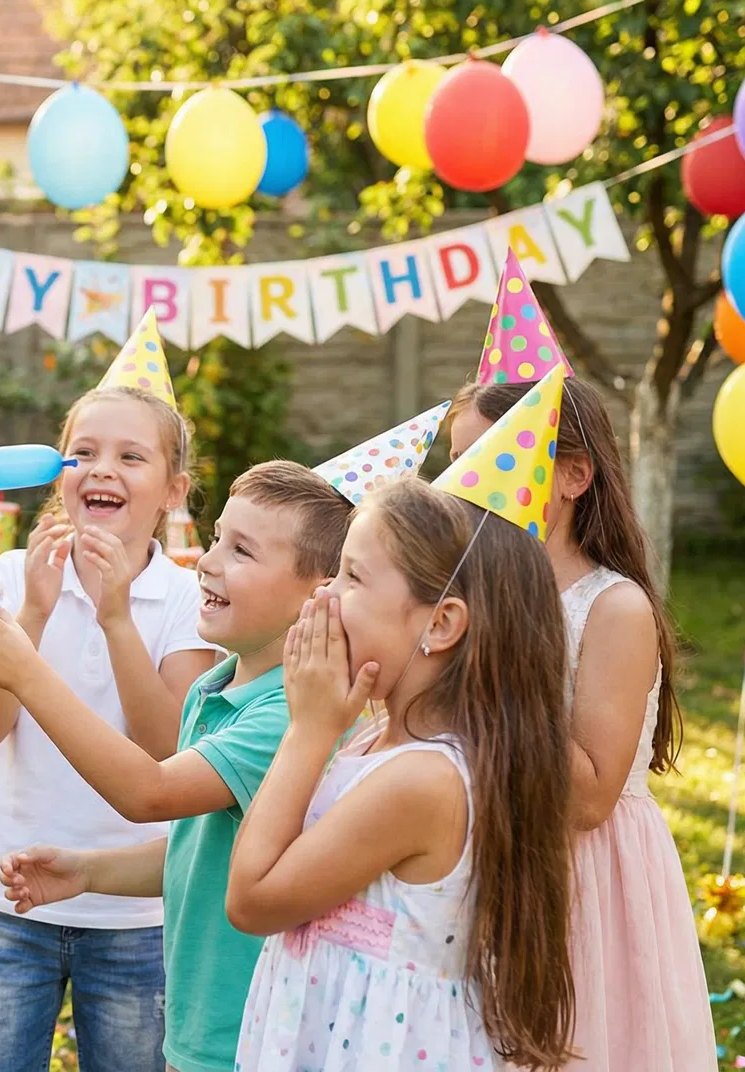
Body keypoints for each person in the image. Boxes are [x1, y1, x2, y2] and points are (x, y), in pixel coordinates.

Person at [0, 458, 353, 1072]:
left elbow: (151, 794)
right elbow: (202, 851)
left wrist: (26, 671)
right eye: (216, 539)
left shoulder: (287, 717)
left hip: (250, 1029)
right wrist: (89, 871)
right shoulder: (219, 687)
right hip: (206, 1023)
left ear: (317, 592)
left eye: (242, 550)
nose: (209, 561)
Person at [225, 394, 578, 1070]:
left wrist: (307, 731)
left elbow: (252, 899)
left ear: (441, 624)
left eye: (353, 576)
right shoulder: (377, 736)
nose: (324, 596)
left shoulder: (423, 781)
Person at [0, 314, 222, 1072]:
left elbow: (170, 752)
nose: (102, 469)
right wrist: (33, 613)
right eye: (84, 453)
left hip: (136, 913)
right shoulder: (10, 580)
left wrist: (114, 619)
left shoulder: (186, 600)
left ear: (172, 492)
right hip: (10, 899)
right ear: (60, 475)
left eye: (130, 457)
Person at [449, 376, 715, 1070]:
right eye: (459, 464)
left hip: (580, 881)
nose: (467, 484)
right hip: (481, 856)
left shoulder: (613, 608)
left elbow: (591, 797)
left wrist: (496, 660)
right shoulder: (461, 594)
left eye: (491, 458)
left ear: (574, 474)